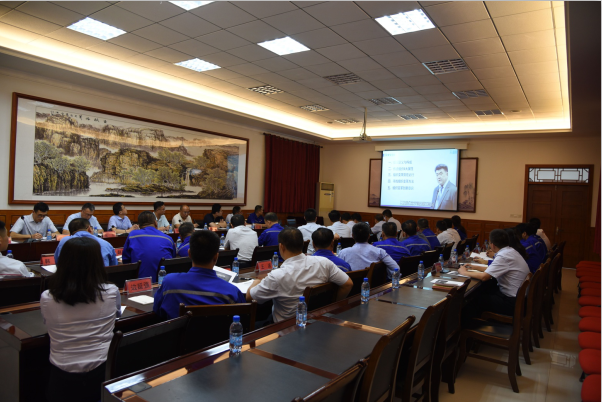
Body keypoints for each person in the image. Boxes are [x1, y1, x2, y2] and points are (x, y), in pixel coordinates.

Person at [41, 237, 121, 402]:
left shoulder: (48, 297)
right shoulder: (111, 291)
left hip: (61, 378)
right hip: (102, 372)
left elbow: (46, 323)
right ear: (98, 263)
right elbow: (117, 315)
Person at [246, 228, 352, 323]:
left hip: (285, 327)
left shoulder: (277, 275)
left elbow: (250, 297)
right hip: (317, 321)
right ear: (302, 244)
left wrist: (256, 281)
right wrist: (332, 306)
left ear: (281, 246)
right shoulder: (324, 263)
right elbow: (348, 284)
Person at [153, 230, 246, 320]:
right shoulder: (231, 292)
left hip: (178, 331)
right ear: (216, 257)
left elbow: (157, 310)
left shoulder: (169, 283)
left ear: (189, 253)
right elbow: (242, 319)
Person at [459, 229, 529, 320]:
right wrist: (474, 267)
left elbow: (484, 277)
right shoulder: (511, 251)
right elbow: (494, 269)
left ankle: (471, 326)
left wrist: (464, 272)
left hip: (512, 302)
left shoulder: (503, 256)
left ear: (492, 245)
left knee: (472, 300)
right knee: (482, 290)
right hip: (520, 299)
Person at [122, 211, 176, 282]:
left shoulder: (132, 235)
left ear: (139, 225)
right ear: (155, 223)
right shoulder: (168, 238)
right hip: (165, 282)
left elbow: (126, 261)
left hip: (139, 283)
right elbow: (173, 259)